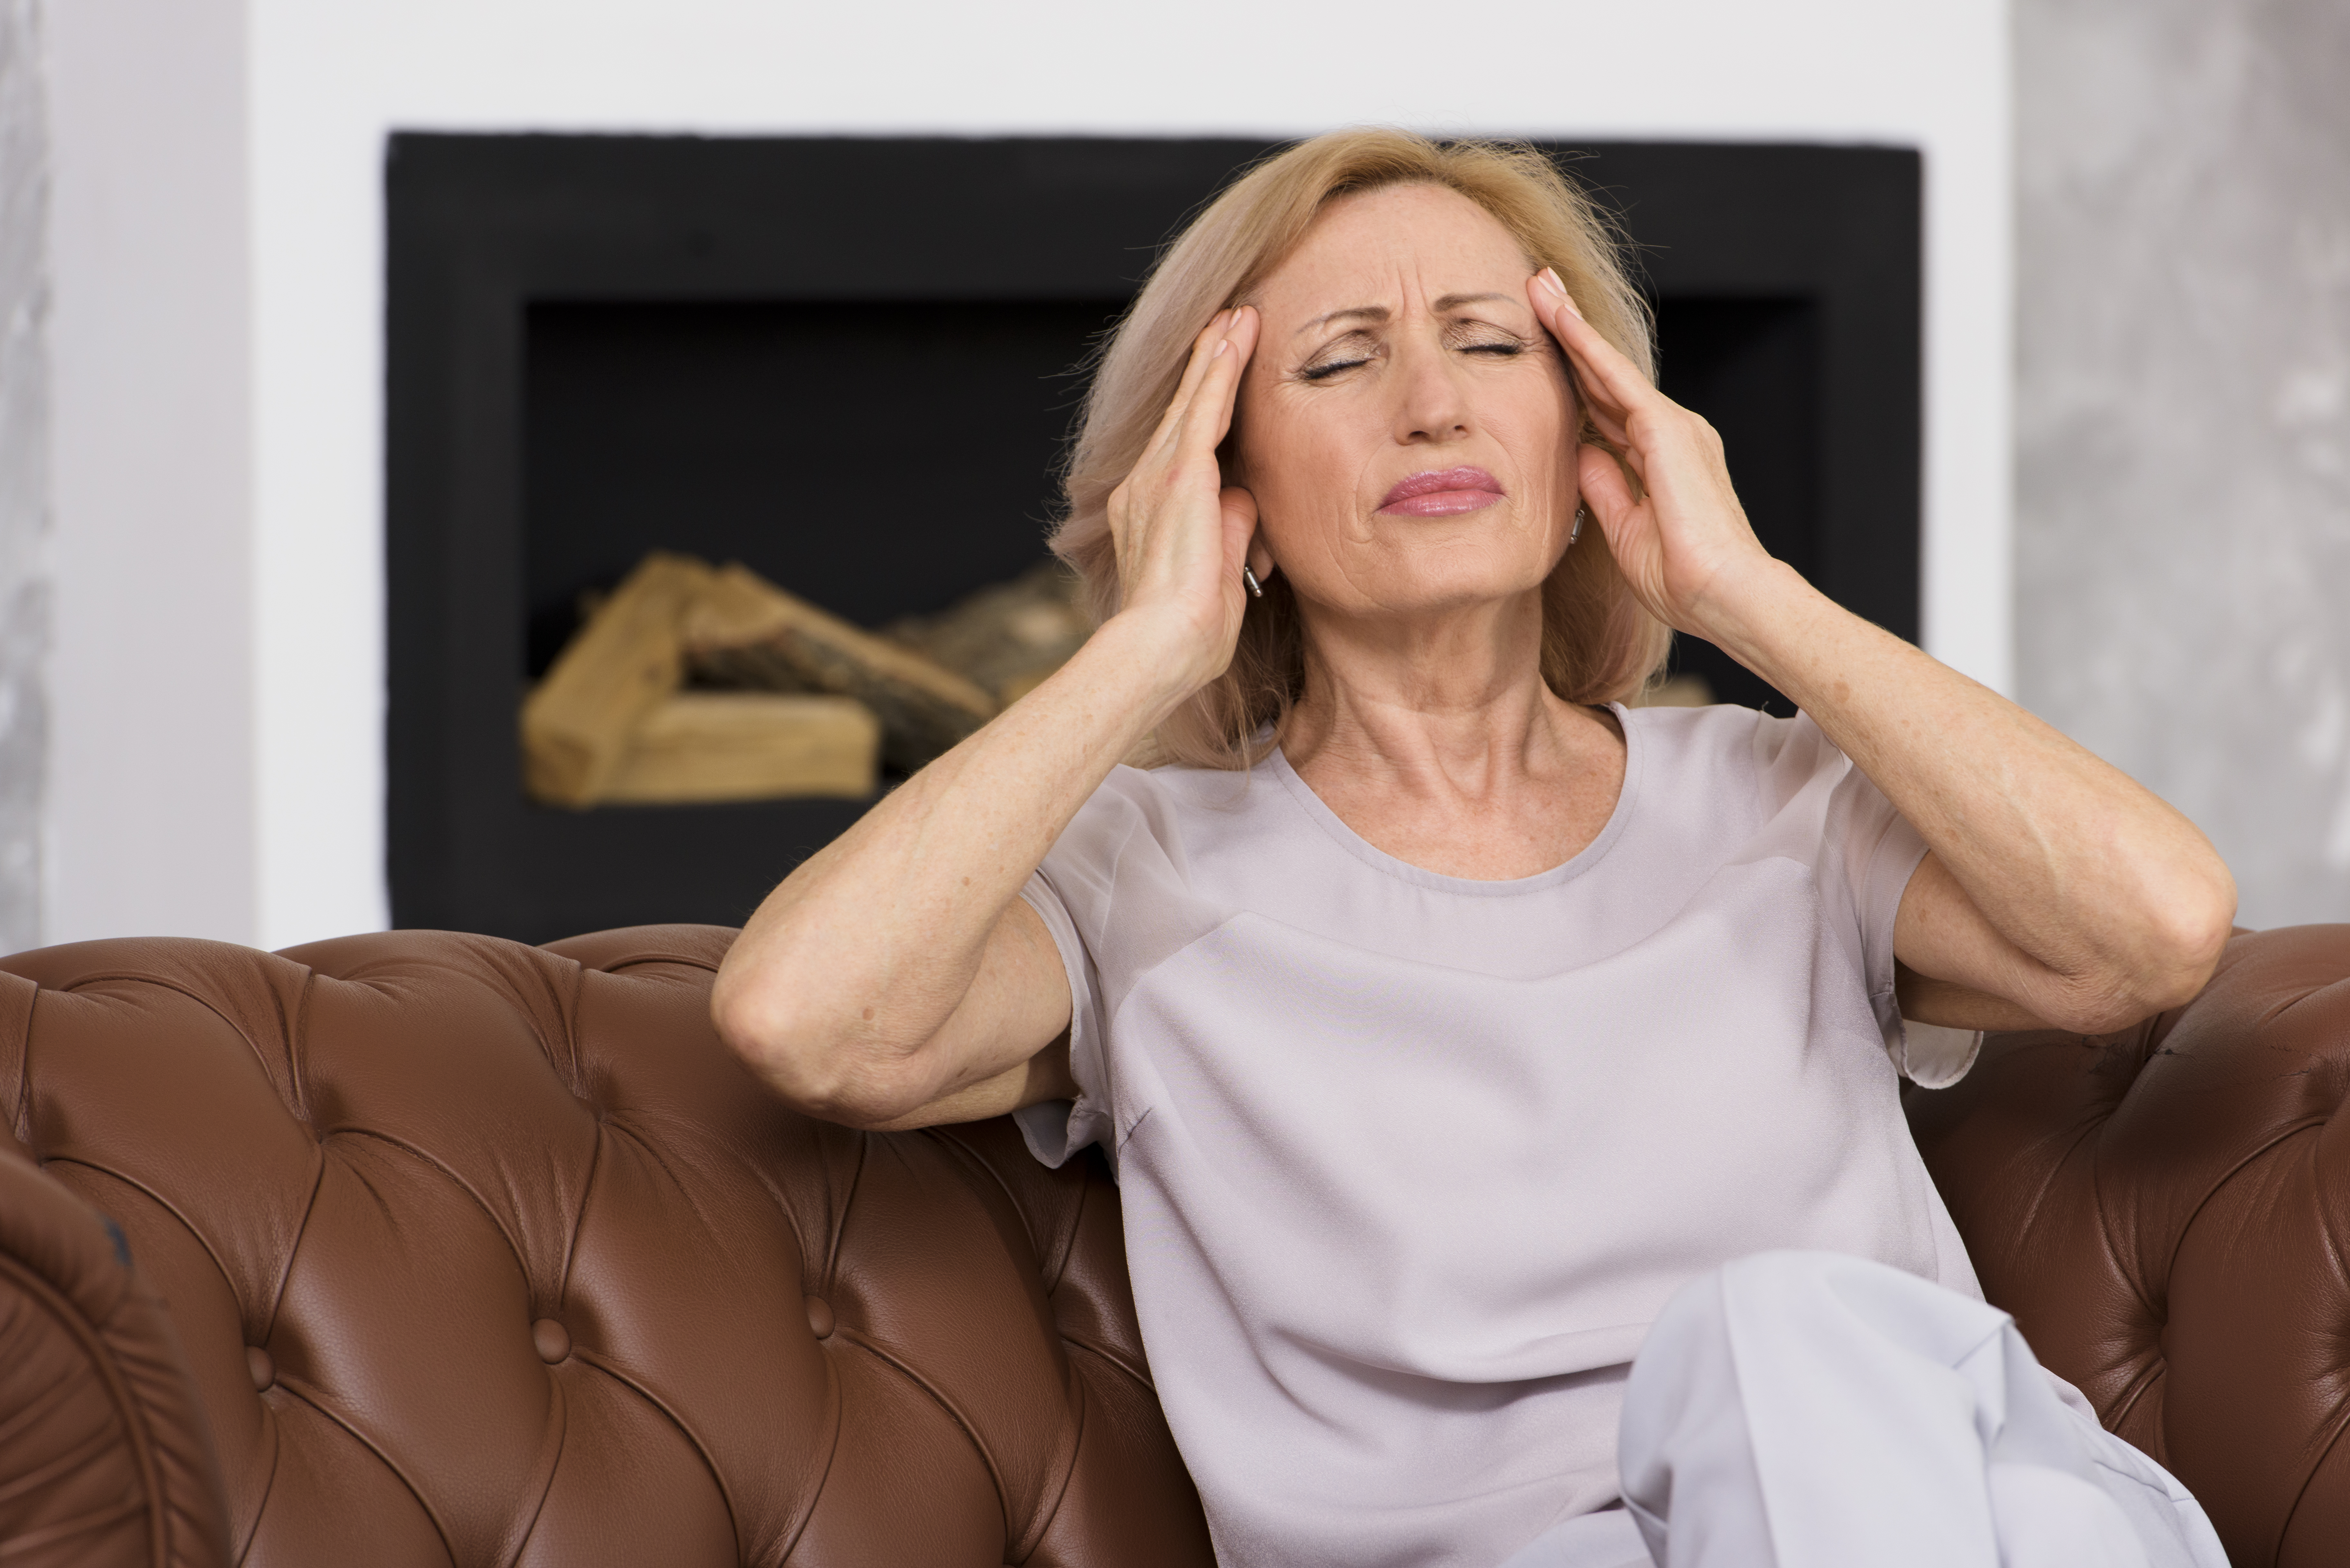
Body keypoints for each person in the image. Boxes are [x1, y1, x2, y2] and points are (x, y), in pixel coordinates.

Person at [710, 130, 2237, 1568]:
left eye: (1492, 346)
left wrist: (1747, 592)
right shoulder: (1140, 877)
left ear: (1590, 437)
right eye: (1339, 360)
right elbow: (806, 1021)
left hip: (1955, 1508)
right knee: (1765, 1341)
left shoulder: (1782, 800)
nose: (1431, 405)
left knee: (1786, 1342)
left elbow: (2155, 932)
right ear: (1223, 484)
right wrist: (1147, 645)